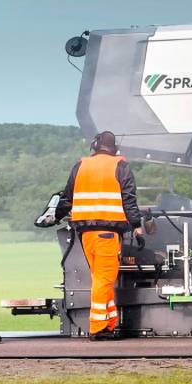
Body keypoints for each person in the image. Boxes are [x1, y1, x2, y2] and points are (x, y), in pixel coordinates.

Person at [54, 130, 140, 339]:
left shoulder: (81, 165)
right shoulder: (120, 166)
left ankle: (109, 323)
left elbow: (67, 198)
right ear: (115, 148)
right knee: (103, 279)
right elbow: (128, 199)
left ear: (94, 146)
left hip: (86, 234)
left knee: (101, 279)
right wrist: (137, 224)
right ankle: (98, 327)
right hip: (107, 233)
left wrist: (55, 216)